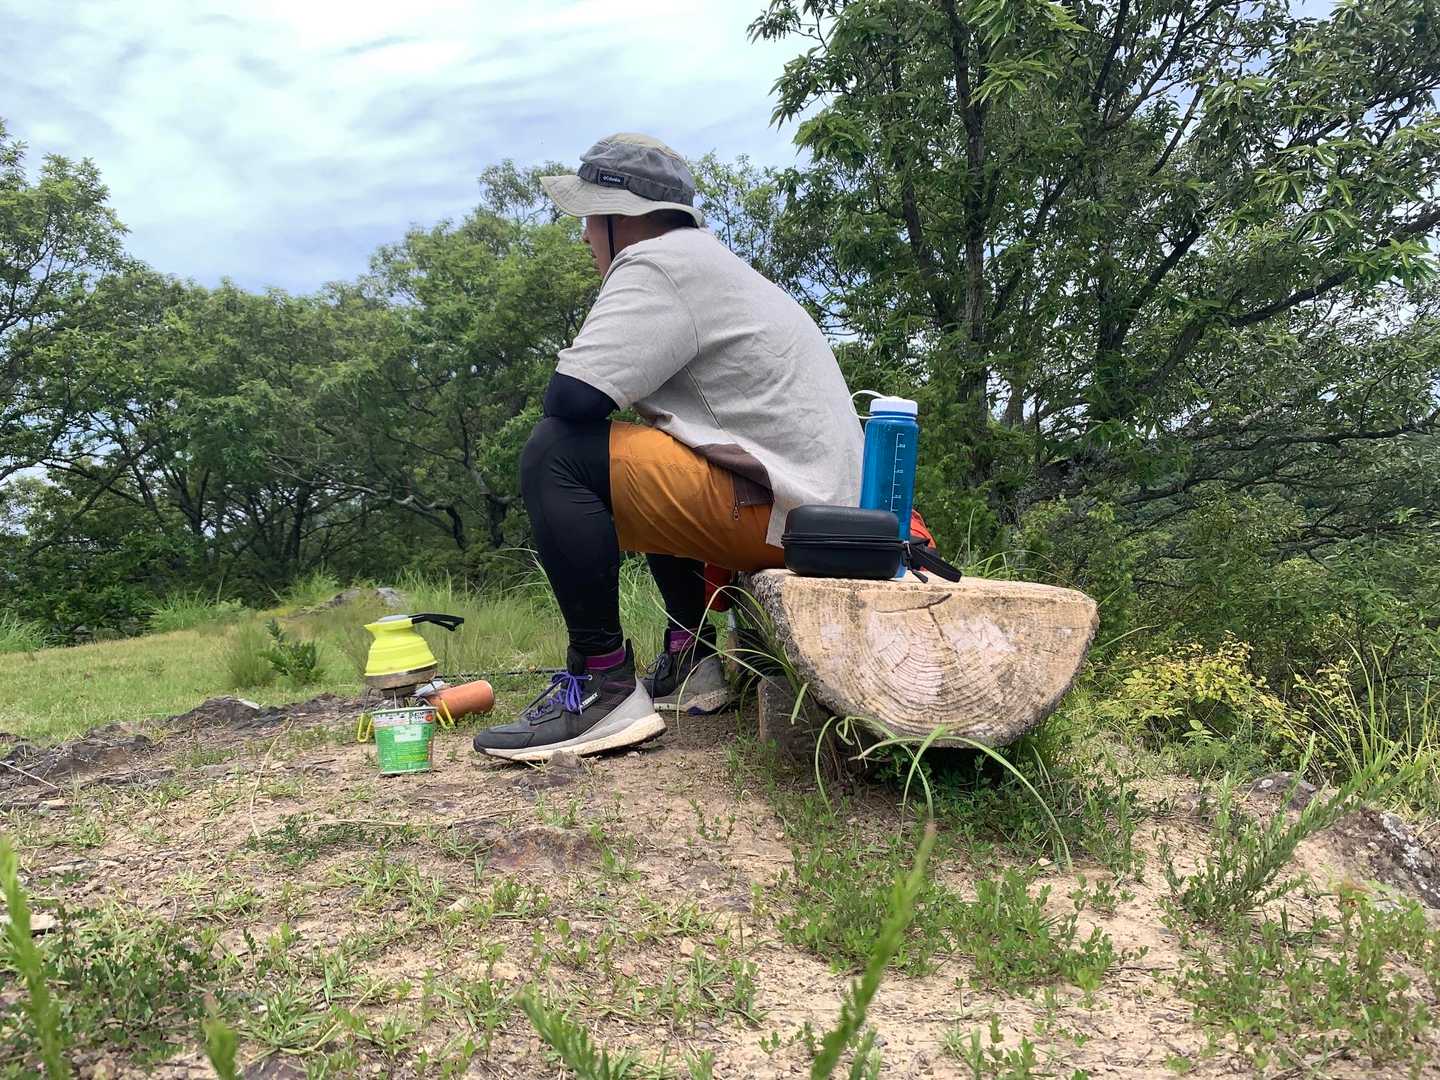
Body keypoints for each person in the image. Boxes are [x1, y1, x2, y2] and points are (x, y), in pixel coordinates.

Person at [472, 133, 862, 762]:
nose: (584, 236)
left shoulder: (657, 263)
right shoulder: (708, 262)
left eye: (589, 219)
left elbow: (570, 401)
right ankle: (691, 657)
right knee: (656, 444)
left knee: (556, 454)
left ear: (619, 216)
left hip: (789, 515)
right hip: (820, 514)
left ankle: (603, 687)